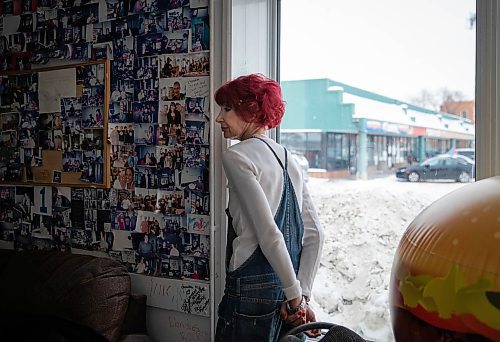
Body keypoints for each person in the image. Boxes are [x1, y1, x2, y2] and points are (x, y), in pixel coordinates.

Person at [214, 74, 324, 341]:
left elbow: (269, 234)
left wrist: (297, 298)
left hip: (251, 292)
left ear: (250, 111)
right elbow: (315, 234)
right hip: (288, 293)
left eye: (227, 108)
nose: (219, 118)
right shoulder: (290, 161)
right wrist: (301, 297)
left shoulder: (236, 156)